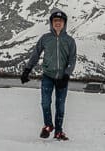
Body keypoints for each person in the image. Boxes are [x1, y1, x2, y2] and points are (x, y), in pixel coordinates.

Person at [21, 9, 77, 140]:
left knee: (60, 106)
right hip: (48, 76)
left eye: (60, 21)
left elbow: (72, 59)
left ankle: (58, 131)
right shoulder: (45, 38)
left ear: (65, 23)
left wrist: (67, 75)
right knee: (45, 103)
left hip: (62, 78)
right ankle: (48, 125)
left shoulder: (70, 41)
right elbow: (36, 54)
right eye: (55, 21)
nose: (58, 23)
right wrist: (27, 70)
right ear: (51, 23)